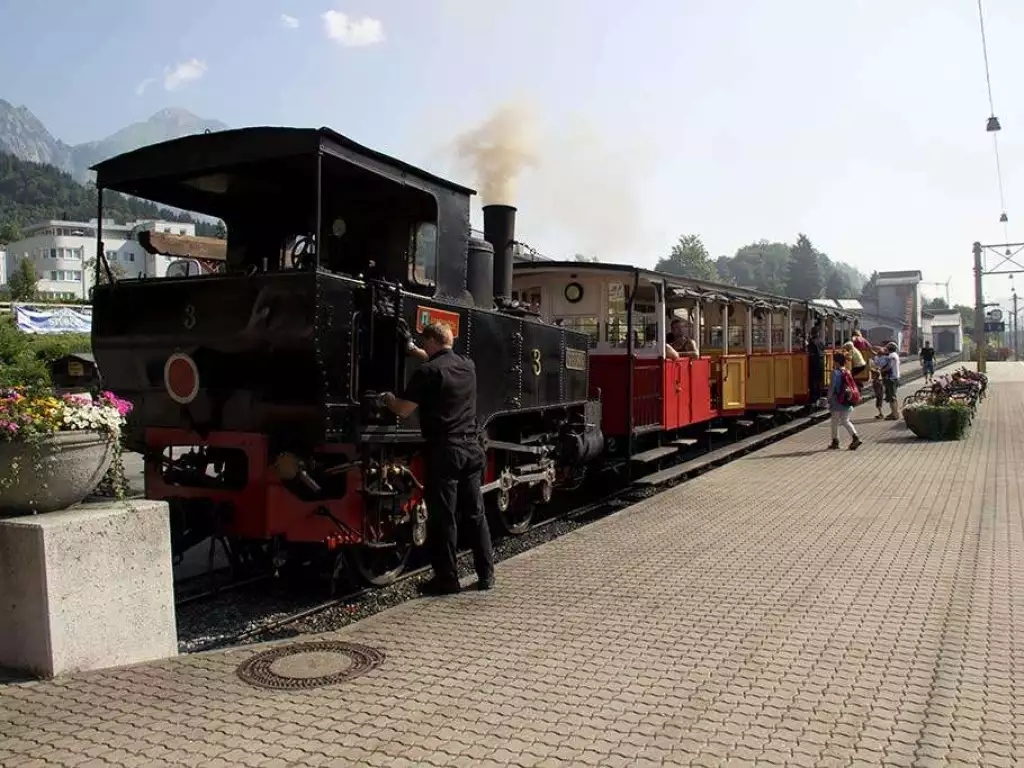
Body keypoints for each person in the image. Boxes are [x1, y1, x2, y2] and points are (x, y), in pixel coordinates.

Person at [379, 321, 495, 595]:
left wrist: (387, 399)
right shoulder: (468, 365)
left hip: (445, 452)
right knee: (476, 515)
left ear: (431, 341)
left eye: (424, 343)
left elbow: (404, 410)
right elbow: (438, 360)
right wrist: (415, 350)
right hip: (471, 450)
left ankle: (448, 580)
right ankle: (487, 575)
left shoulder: (427, 372)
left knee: (444, 519)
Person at [828, 351, 863, 451]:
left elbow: (832, 387)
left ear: (837, 362)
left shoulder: (835, 372)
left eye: (834, 361)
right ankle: (855, 437)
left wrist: (828, 398)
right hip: (847, 399)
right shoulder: (847, 371)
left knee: (834, 422)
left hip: (837, 400)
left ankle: (835, 441)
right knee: (845, 421)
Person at [881, 341, 901, 420]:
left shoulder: (891, 356)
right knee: (891, 396)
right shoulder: (894, 355)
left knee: (892, 397)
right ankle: (893, 412)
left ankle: (895, 414)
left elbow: (889, 367)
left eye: (887, 347)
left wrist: (881, 371)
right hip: (893, 378)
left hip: (891, 378)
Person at [807, 323, 826, 407]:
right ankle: (819, 396)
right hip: (821, 362)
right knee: (819, 380)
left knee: (813, 381)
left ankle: (814, 398)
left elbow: (810, 352)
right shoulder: (821, 341)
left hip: (814, 363)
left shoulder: (812, 342)